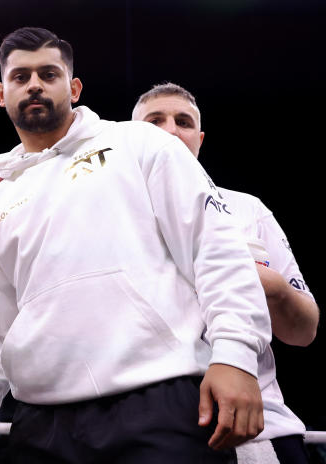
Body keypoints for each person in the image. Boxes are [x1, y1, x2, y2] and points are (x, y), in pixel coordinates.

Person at [0, 27, 271, 464]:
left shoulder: (140, 142)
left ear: (73, 87)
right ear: (1, 94)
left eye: (48, 74)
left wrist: (236, 354)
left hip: (159, 398)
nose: (35, 84)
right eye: (21, 77)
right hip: (39, 424)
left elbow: (213, 248)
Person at [133, 82, 318, 464]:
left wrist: (273, 288)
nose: (170, 130)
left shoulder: (246, 209)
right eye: (156, 121)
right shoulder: (107, 216)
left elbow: (304, 332)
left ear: (199, 139)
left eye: (183, 121)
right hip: (142, 428)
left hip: (259, 425)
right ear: (131, 138)